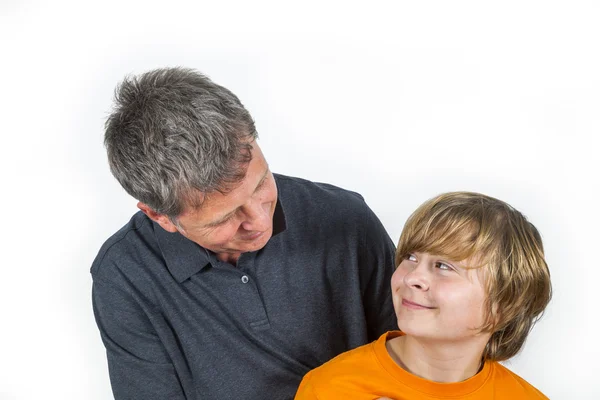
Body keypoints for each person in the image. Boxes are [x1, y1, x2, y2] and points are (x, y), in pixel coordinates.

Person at [91, 67, 397, 399]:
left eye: (261, 182)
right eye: (226, 216)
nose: (260, 220)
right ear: (159, 216)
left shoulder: (346, 220)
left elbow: (423, 362)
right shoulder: (124, 275)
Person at [295, 191, 552, 399]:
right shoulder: (330, 389)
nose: (412, 277)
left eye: (443, 266)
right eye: (411, 257)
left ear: (505, 303)